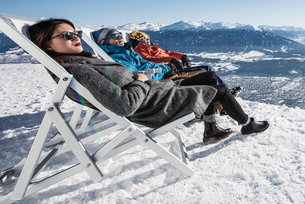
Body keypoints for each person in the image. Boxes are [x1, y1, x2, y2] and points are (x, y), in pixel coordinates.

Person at [28, 19, 269, 143]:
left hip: (155, 92)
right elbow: (125, 105)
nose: (76, 38)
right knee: (220, 91)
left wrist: (143, 77)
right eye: (68, 35)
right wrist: (142, 79)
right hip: (155, 105)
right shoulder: (80, 70)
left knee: (211, 84)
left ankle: (213, 128)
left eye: (77, 33)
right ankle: (246, 124)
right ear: (47, 44)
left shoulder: (80, 62)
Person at [128, 30, 237, 91]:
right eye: (144, 39)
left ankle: (225, 89)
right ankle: (221, 92)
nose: (147, 40)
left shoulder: (152, 47)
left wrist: (182, 56)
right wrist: (171, 60)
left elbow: (168, 52)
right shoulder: (139, 50)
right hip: (169, 70)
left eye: (147, 38)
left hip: (174, 66)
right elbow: (151, 60)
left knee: (207, 68)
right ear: (138, 40)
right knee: (205, 72)